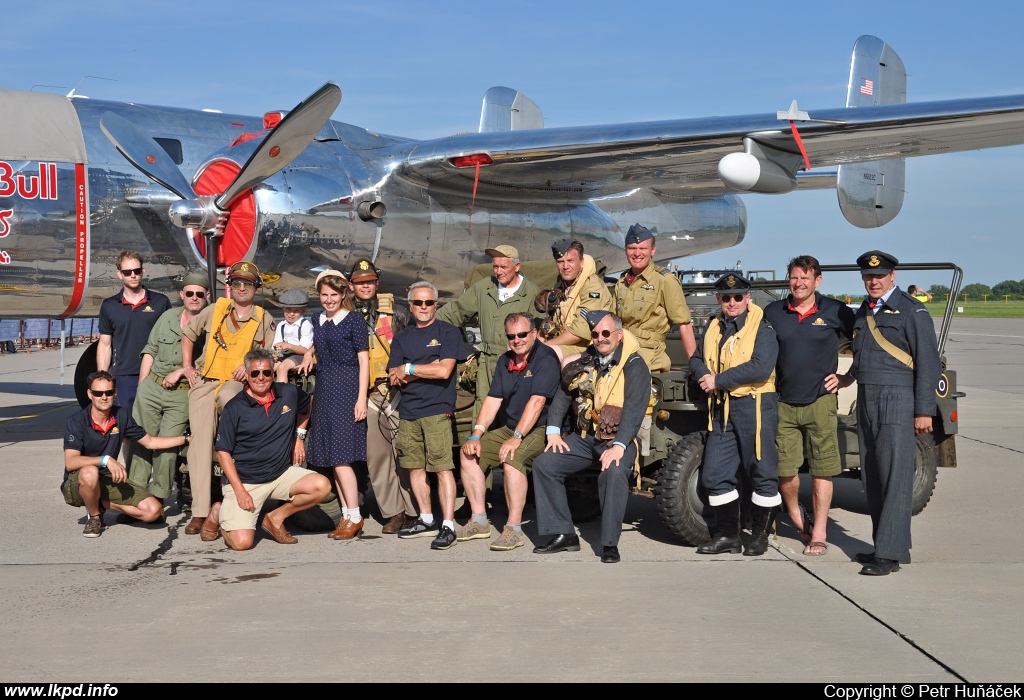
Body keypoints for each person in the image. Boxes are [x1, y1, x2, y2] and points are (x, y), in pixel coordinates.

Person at [843, 251, 940, 576]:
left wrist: (925, 410)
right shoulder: (864, 311)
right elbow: (861, 355)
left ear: (892, 275)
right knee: (872, 475)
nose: (873, 281)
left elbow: (928, 361)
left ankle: (889, 553)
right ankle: (885, 546)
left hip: (898, 398)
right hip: (867, 396)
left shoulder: (912, 311)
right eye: (868, 277)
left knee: (895, 476)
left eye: (879, 276)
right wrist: (848, 378)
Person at [532, 310, 651, 564]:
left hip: (619, 439)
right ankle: (563, 534)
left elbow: (635, 408)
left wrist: (620, 445)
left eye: (606, 333)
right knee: (545, 464)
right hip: (586, 437)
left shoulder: (634, 364)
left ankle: (609, 544)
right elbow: (565, 391)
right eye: (595, 334)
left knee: (614, 472)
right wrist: (553, 430)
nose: (600, 338)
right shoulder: (588, 358)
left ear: (619, 335)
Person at [764, 257, 856, 555]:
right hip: (783, 402)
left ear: (818, 280)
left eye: (805, 278)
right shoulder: (774, 312)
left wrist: (848, 377)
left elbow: (866, 343)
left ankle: (819, 531)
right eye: (793, 277)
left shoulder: (835, 310)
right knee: (785, 470)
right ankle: (794, 515)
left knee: (822, 469)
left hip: (820, 402)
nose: (798, 283)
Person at [179, 261, 276, 535]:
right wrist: (187, 365)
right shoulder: (215, 309)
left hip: (235, 385)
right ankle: (199, 512)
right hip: (206, 381)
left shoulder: (263, 318)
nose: (242, 288)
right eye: (236, 283)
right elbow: (188, 334)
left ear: (256, 288)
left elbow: (267, 357)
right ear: (229, 287)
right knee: (198, 446)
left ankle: (236, 498)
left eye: (247, 283)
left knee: (233, 414)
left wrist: (249, 368)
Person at [689, 273, 781, 557]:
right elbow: (695, 358)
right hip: (722, 408)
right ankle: (729, 535)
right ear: (719, 299)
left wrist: (718, 380)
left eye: (738, 296)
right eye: (726, 297)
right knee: (715, 474)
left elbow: (761, 367)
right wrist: (704, 374)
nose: (732, 302)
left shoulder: (763, 328)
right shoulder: (713, 326)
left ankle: (760, 536)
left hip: (755, 405)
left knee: (762, 473)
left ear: (748, 297)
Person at [204, 349, 332, 550]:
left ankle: (274, 518)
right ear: (246, 376)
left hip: (280, 474)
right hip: (246, 482)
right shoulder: (234, 407)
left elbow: (307, 405)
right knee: (241, 543)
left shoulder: (288, 393)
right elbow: (223, 453)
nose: (261, 378)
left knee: (321, 485)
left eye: (266, 373)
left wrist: (299, 437)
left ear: (273, 373)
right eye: (255, 373)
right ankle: (218, 512)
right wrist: (240, 492)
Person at [457, 312, 561, 551]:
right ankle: (479, 520)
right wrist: (476, 435)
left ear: (534, 333)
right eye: (512, 336)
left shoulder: (545, 358)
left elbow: (537, 403)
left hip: (542, 428)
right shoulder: (506, 360)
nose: (518, 340)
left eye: (523, 334)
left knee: (512, 459)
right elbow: (493, 400)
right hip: (514, 428)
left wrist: (516, 438)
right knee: (467, 453)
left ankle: (513, 529)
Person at [387, 281, 467, 550]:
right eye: (418, 303)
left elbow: (445, 371)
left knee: (443, 469)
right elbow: (394, 376)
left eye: (429, 302)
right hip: (408, 411)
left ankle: (447, 524)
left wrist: (410, 367)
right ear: (410, 306)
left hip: (437, 410)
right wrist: (427, 366)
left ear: (436, 304)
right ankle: (426, 518)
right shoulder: (401, 337)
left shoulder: (448, 332)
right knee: (414, 467)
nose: (424, 307)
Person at [62, 371, 189, 537]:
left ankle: (100, 502)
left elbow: (150, 442)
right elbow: (71, 462)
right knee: (90, 471)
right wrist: (105, 460)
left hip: (107, 480)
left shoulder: (121, 415)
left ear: (115, 393)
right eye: (98, 393)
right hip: (78, 483)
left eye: (108, 392)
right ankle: (94, 516)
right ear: (89, 394)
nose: (104, 397)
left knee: (153, 512)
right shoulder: (77, 421)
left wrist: (186, 439)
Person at [347, 258, 418, 534]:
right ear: (352, 286)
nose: (365, 286)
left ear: (377, 283)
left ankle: (415, 510)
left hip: (397, 391)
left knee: (405, 453)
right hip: (367, 395)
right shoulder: (344, 314)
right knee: (377, 457)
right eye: (359, 282)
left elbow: (413, 345)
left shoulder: (398, 313)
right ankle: (394, 512)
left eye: (370, 282)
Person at [128, 272, 210, 508]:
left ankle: (158, 497)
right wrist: (142, 387)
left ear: (206, 297)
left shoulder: (209, 326)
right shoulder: (167, 317)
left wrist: (183, 371)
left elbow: (206, 365)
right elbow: (150, 350)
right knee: (140, 440)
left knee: (168, 445)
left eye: (199, 294)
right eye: (190, 293)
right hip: (151, 388)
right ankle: (135, 494)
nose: (194, 298)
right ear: (182, 295)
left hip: (181, 394)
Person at [298, 270, 369, 540]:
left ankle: (355, 516)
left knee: (341, 459)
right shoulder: (318, 319)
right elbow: (319, 341)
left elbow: (364, 362)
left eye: (333, 295)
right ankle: (347, 516)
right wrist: (308, 353)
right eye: (324, 295)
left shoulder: (354, 321)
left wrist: (361, 399)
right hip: (325, 389)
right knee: (331, 458)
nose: (328, 300)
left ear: (343, 295)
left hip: (348, 388)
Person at [436, 245, 541, 413]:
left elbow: (539, 332)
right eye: (495, 266)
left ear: (517, 266)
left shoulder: (530, 293)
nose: (498, 272)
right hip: (486, 360)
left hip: (517, 362)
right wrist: (425, 326)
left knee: (514, 410)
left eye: (504, 267)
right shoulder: (484, 288)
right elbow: (456, 311)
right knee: (483, 408)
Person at [97, 251, 172, 457]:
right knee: (128, 432)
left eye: (137, 271)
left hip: (157, 376)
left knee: (158, 428)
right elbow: (105, 344)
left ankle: (161, 478)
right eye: (127, 271)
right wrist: (102, 378)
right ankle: (133, 478)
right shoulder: (109, 305)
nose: (133, 275)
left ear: (143, 271)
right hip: (124, 377)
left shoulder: (160, 302)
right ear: (119, 274)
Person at [613, 224, 696, 372]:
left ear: (653, 250)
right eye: (632, 248)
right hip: (621, 349)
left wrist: (696, 367)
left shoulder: (665, 280)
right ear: (625, 250)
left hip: (648, 356)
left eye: (643, 248)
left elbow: (684, 324)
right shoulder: (622, 282)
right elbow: (613, 322)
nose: (637, 253)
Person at [536, 239, 614, 359]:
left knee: (546, 352)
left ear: (581, 262)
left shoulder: (592, 287)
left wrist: (542, 347)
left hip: (589, 347)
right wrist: (536, 343)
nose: (565, 266)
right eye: (560, 262)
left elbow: (580, 332)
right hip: (565, 343)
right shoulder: (561, 285)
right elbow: (549, 321)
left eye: (570, 261)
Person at [273, 289, 314, 382]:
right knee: (267, 367)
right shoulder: (281, 325)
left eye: (296, 311)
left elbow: (305, 350)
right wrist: (274, 354)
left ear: (303, 310)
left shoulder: (305, 325)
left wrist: (288, 346)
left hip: (299, 356)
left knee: (282, 368)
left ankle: (283, 393)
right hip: (283, 355)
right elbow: (276, 345)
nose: (291, 314)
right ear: (283, 308)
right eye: (288, 309)